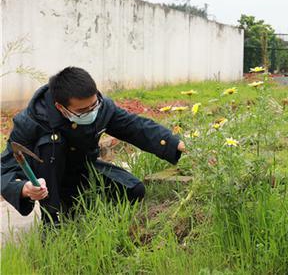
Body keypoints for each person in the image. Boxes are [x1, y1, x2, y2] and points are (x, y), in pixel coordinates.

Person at [1, 67, 187, 223]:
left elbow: (136, 127)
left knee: (134, 190)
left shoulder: (101, 107)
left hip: (84, 170)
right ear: (60, 107)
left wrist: (175, 144)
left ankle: (82, 207)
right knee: (52, 142)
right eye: (83, 110)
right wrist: (24, 188)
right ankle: (53, 218)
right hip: (51, 181)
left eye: (94, 105)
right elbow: (4, 169)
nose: (92, 112)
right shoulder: (31, 121)